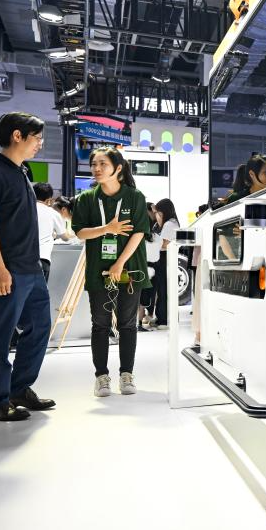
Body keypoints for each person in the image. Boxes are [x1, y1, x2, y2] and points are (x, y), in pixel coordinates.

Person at [0, 112, 56, 421]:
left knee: (40, 327)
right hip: (8, 269)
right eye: (37, 138)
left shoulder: (21, 171)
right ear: (17, 136)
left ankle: (18, 389)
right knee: (0, 333)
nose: (40, 144)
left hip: (31, 267)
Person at [72, 147, 151, 397]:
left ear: (118, 168)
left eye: (102, 164)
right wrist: (107, 228)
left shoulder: (135, 197)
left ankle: (127, 374)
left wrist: (120, 263)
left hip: (130, 269)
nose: (96, 169)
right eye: (93, 164)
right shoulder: (86, 199)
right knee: (100, 324)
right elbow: (80, 232)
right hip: (99, 270)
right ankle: (101, 377)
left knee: (128, 324)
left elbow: (139, 232)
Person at [148, 198, 179, 330]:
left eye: (158, 213)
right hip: (163, 259)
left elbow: (164, 244)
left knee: (163, 289)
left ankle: (164, 319)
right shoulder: (168, 223)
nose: (156, 216)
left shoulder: (169, 224)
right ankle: (161, 316)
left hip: (165, 258)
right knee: (162, 289)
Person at [34, 183, 71, 281]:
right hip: (42, 258)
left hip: (20, 259)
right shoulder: (52, 213)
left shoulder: (22, 210)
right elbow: (65, 237)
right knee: (40, 290)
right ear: (49, 200)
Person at [138, 203, 161, 332]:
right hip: (152, 269)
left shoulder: (138, 237)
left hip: (140, 267)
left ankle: (139, 322)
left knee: (139, 296)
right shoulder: (156, 237)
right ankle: (142, 321)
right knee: (147, 296)